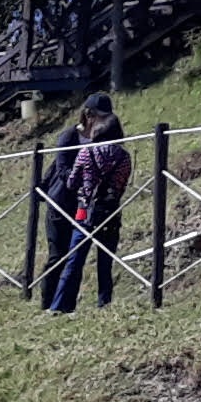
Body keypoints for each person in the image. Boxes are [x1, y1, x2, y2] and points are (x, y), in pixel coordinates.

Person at [44, 96, 128, 314]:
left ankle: (59, 306)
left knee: (73, 259)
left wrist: (84, 185)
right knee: (61, 256)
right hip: (68, 204)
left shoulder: (86, 152)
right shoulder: (70, 137)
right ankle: (101, 303)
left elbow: (71, 178)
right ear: (89, 114)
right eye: (101, 117)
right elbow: (62, 171)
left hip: (83, 208)